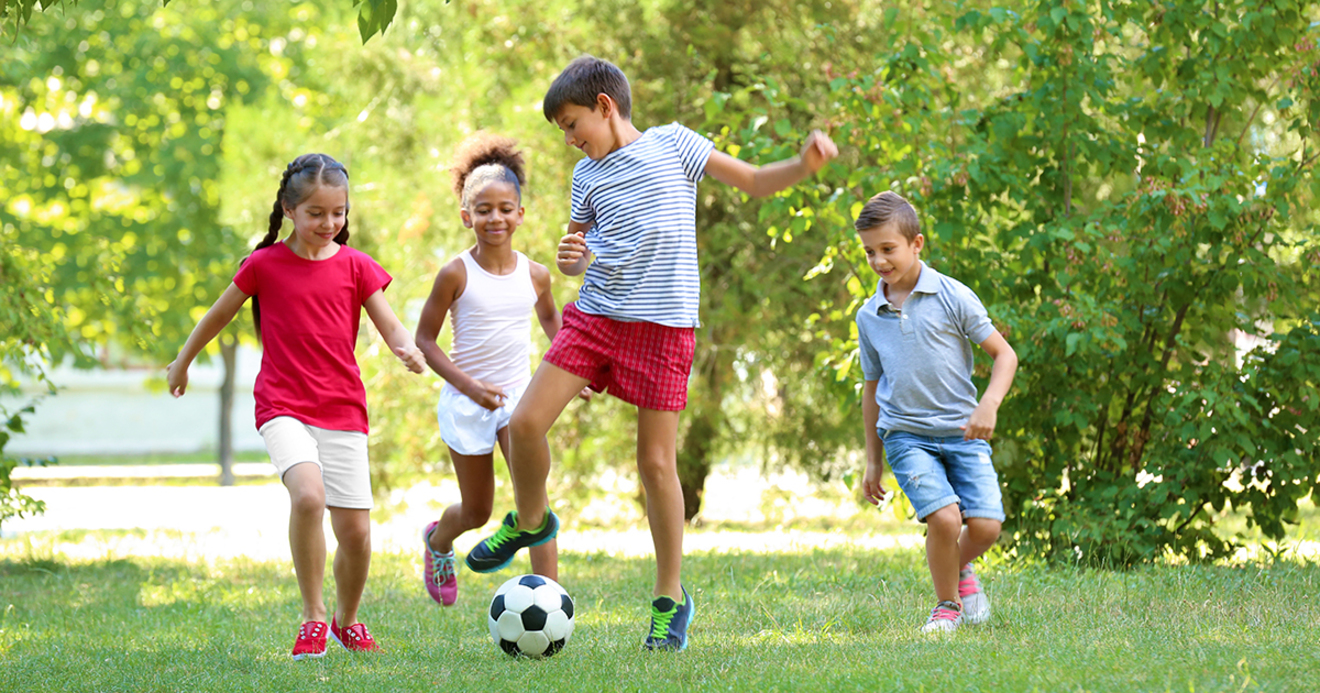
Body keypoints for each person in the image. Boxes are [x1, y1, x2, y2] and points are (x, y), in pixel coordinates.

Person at [463, 55, 839, 652]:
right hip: (595, 317)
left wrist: (802, 164)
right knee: (527, 423)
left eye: (571, 123)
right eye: (561, 129)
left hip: (664, 329)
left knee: (656, 465)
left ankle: (670, 600)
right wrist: (572, 260)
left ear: (605, 107)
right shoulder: (585, 177)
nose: (568, 139)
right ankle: (529, 521)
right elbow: (582, 249)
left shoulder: (675, 145)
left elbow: (752, 180)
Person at [166, 153, 426, 659]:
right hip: (282, 403)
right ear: (289, 209)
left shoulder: (357, 266)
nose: (329, 224)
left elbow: (389, 323)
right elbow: (217, 316)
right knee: (308, 496)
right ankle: (311, 617)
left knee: (355, 534)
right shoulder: (263, 265)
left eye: (338, 213)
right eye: (316, 214)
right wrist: (182, 361)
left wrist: (405, 348)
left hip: (342, 408)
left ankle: (345, 620)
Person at [414, 133, 584, 607]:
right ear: (467, 216)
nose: (496, 218)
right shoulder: (455, 274)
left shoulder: (536, 274)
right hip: (466, 400)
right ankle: (438, 541)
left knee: (534, 503)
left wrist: (572, 367)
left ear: (521, 214)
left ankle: (550, 599)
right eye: (483, 209)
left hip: (519, 401)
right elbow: (424, 342)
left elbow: (552, 319)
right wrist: (469, 386)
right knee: (477, 511)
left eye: (506, 208)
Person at [852, 191, 1018, 633]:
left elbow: (1005, 356)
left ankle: (958, 570)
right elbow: (872, 389)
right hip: (905, 434)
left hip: (963, 430)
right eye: (870, 251)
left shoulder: (952, 296)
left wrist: (989, 404)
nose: (879, 260)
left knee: (985, 527)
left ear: (917, 243)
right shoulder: (868, 315)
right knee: (944, 519)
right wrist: (873, 460)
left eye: (888, 249)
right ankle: (947, 606)